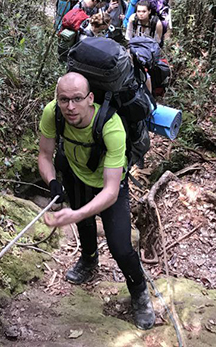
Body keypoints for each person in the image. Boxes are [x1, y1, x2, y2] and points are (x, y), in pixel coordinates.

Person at [37, 72, 156, 330]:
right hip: (74, 173)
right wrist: (52, 183)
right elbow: (45, 154)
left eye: (77, 99)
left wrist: (75, 213)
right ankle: (89, 260)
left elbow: (111, 191)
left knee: (120, 246)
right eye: (64, 99)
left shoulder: (111, 126)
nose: (70, 107)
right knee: (85, 225)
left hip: (108, 184)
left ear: (90, 98)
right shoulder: (52, 113)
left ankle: (139, 293)